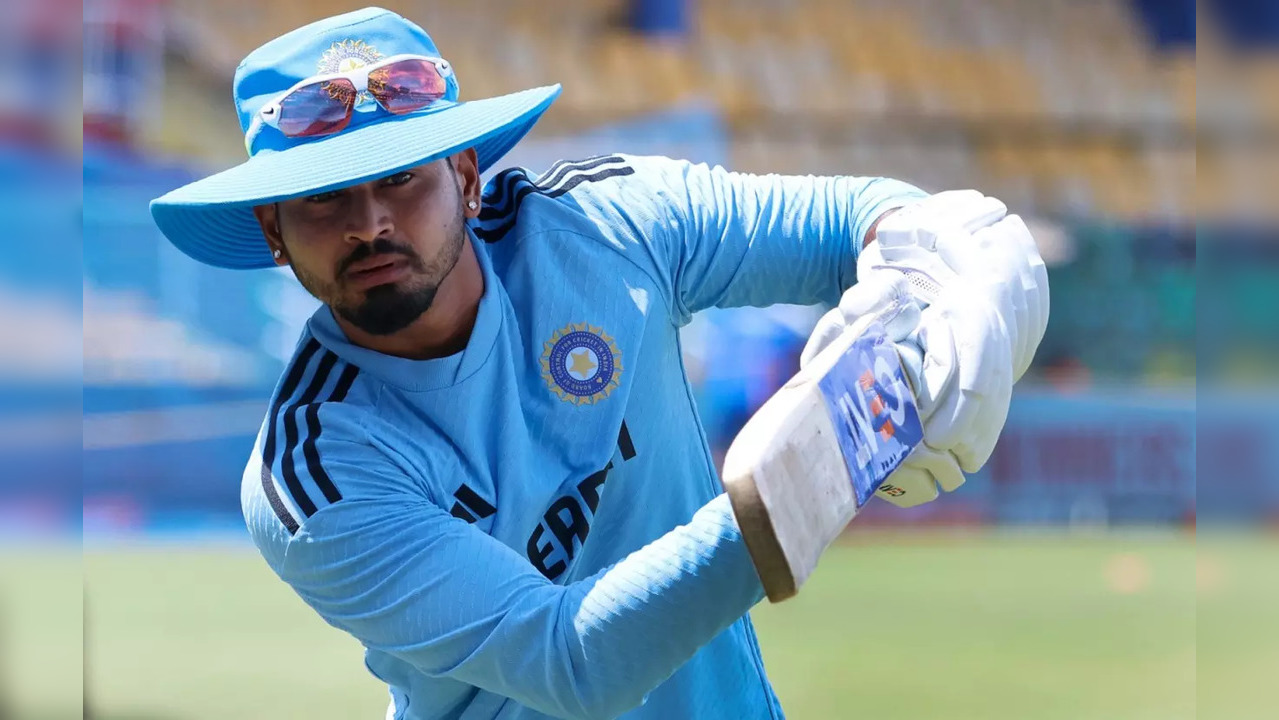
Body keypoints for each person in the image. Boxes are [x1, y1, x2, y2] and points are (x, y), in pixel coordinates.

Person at [151, 7, 1046, 720]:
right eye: (324, 200)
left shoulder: (605, 223)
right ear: (271, 230)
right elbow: (571, 661)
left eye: (402, 179)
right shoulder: (311, 473)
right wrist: (838, 442)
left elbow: (855, 219)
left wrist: (945, 258)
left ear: (465, 176)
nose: (372, 223)